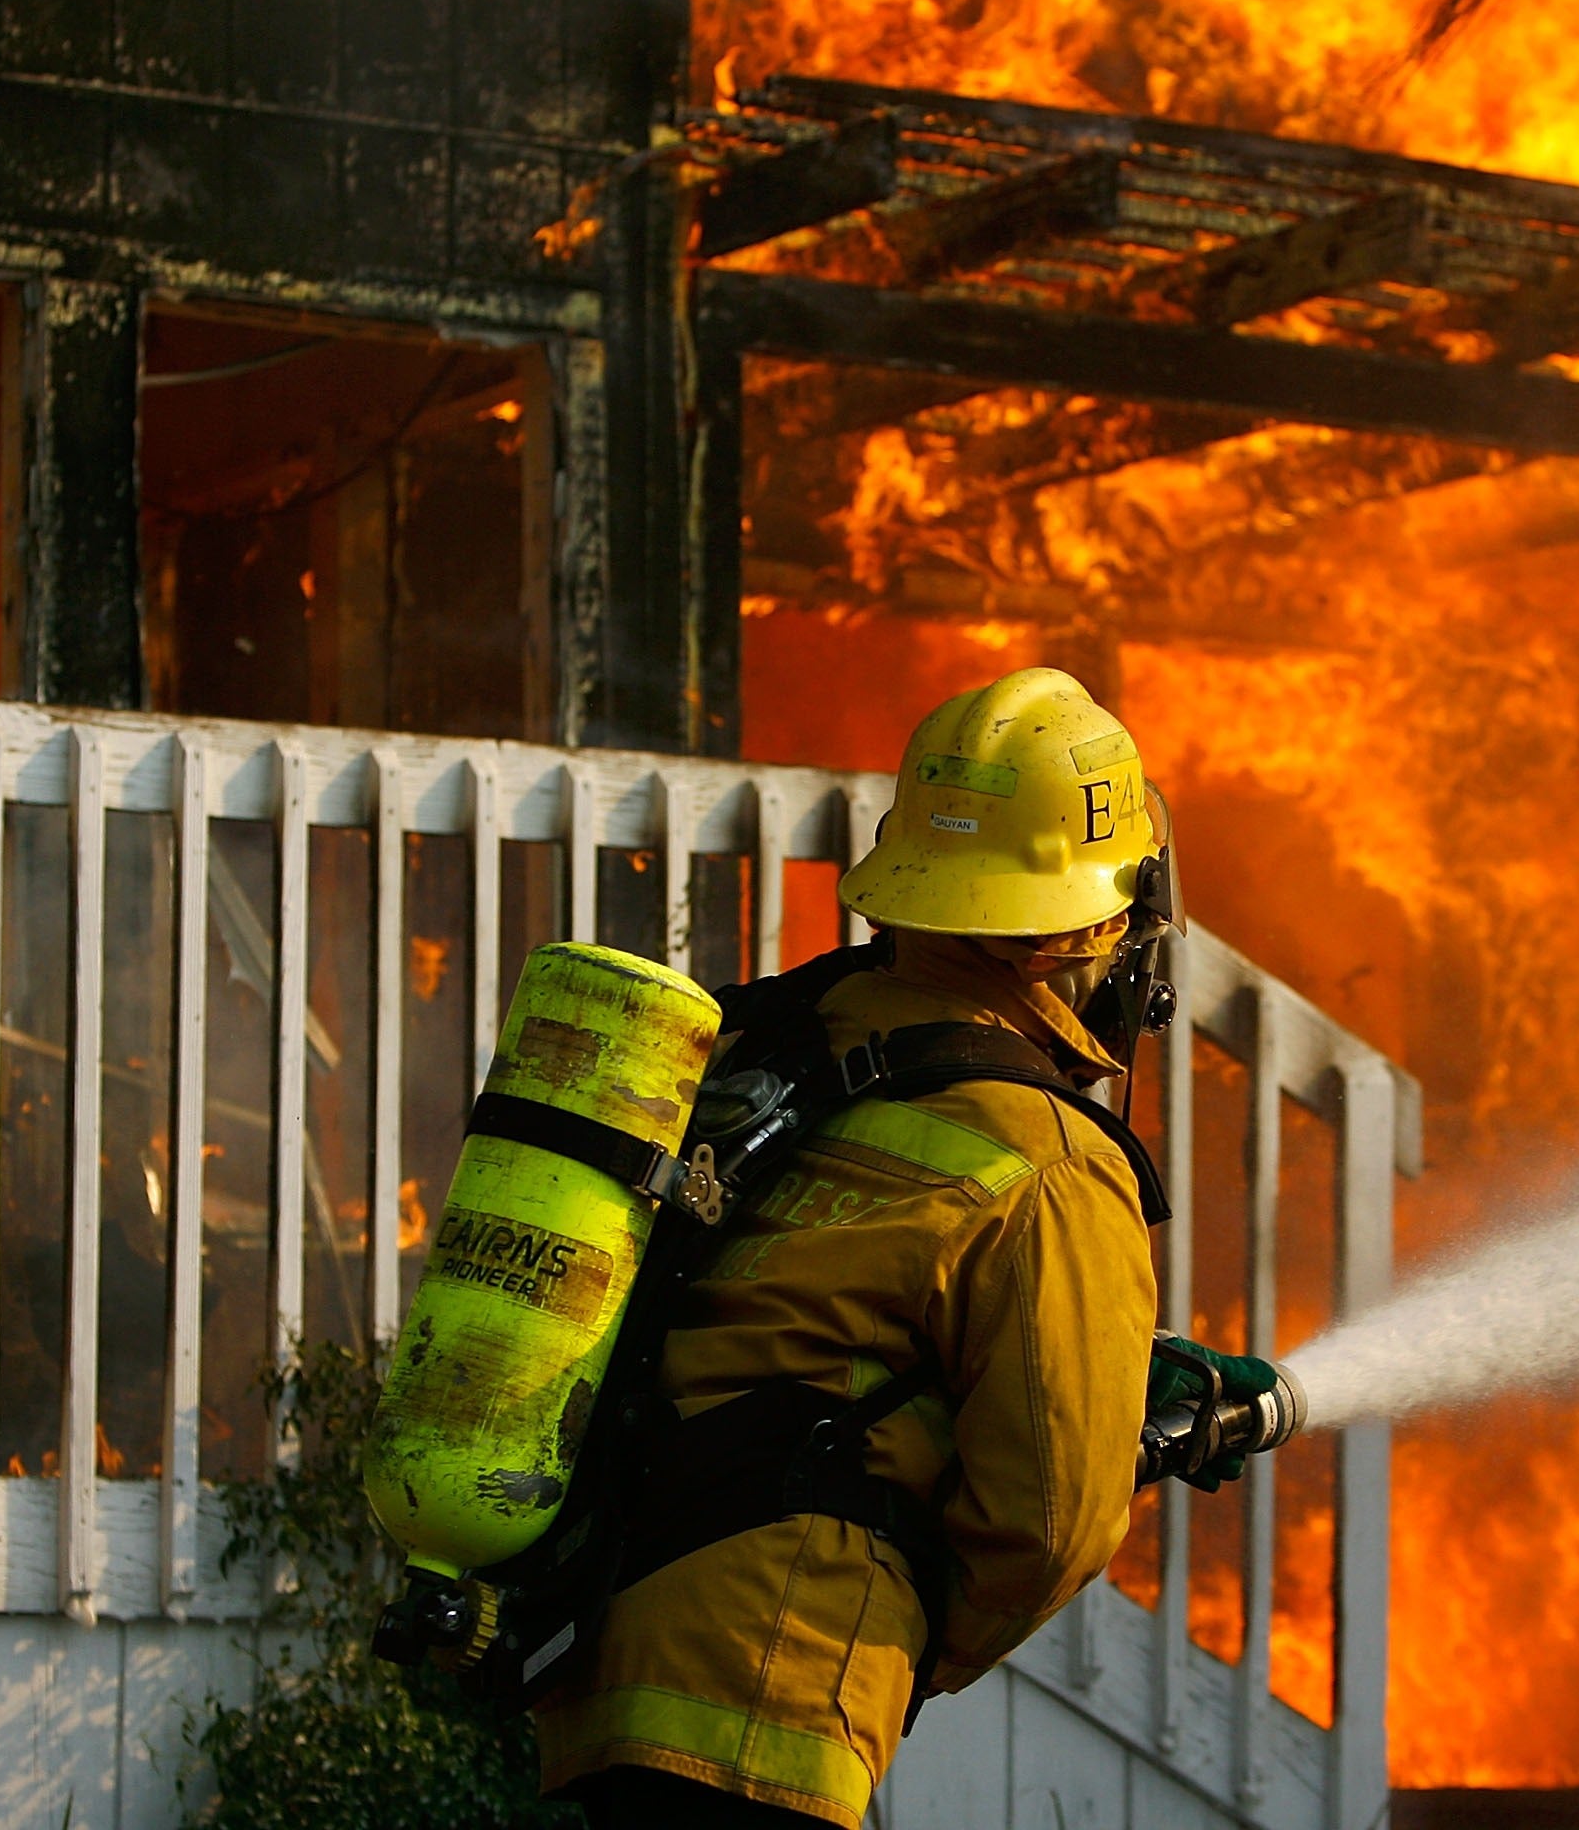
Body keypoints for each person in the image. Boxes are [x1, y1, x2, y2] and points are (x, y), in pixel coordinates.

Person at [535, 668, 1269, 1829]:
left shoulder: (788, 1041)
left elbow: (818, 1313)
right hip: (770, 1689)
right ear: (1083, 927)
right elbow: (1049, 1527)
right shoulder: (1054, 1160)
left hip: (597, 1653)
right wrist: (902, 1632)